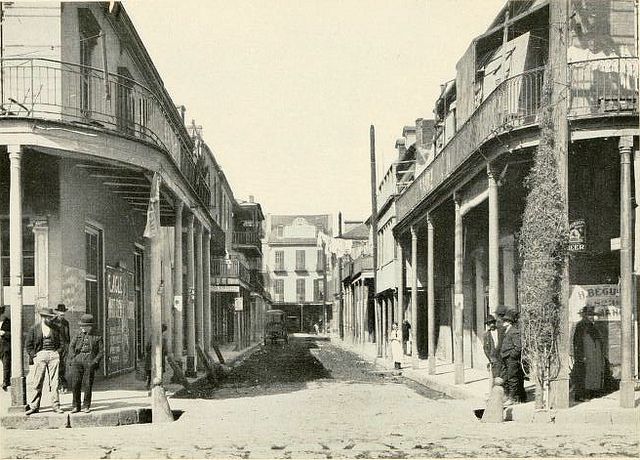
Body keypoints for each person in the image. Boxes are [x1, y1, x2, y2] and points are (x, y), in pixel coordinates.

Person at [25, 307, 64, 415]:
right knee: (37, 382)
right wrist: (34, 356)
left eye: (51, 317)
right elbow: (28, 345)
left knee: (54, 383)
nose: (50, 319)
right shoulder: (34, 329)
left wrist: (57, 353)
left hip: (53, 355)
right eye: (48, 317)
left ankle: (56, 406)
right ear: (43, 317)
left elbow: (62, 343)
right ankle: (34, 406)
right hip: (40, 355)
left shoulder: (56, 328)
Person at [68, 314, 103, 413]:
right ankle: (76, 405)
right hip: (77, 360)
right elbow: (71, 347)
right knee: (75, 383)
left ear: (90, 326)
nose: (82, 327)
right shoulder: (78, 334)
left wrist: (94, 362)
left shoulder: (97, 336)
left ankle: (86, 405)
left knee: (87, 384)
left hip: (90, 360)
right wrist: (73, 358)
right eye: (81, 326)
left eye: (84, 326)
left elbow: (101, 351)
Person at [572, 306, 606, 402]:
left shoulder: (592, 326)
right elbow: (577, 342)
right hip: (585, 355)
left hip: (592, 355)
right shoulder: (581, 326)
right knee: (583, 375)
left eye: (592, 315)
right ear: (584, 315)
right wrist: (580, 355)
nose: (591, 317)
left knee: (591, 374)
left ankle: (590, 393)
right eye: (589, 315)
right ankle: (581, 395)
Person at [499, 309, 524, 405]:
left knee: (512, 378)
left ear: (509, 322)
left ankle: (512, 398)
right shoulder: (508, 330)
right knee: (506, 378)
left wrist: (512, 356)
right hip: (506, 358)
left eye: (505, 321)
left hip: (511, 359)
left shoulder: (514, 331)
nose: (503, 322)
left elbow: (518, 346)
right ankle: (508, 396)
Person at [145, 324, 169, 390]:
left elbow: (147, 347)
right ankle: (159, 384)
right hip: (160, 356)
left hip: (151, 356)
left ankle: (148, 384)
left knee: (150, 371)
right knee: (159, 371)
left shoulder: (152, 336)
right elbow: (166, 350)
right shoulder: (163, 339)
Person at [52, 303, 70, 392]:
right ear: (57, 312)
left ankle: (62, 384)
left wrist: (68, 347)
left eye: (63, 312)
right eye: (60, 312)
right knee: (57, 366)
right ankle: (58, 384)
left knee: (63, 366)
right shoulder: (53, 322)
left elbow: (68, 337)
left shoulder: (66, 323)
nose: (62, 314)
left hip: (64, 348)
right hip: (56, 348)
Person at [482, 314, 501, 388]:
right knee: (495, 378)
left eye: (493, 322)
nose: (492, 324)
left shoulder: (500, 332)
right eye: (490, 323)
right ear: (488, 325)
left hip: (502, 357)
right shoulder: (486, 335)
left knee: (503, 377)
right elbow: (485, 348)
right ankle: (494, 394)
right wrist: (490, 358)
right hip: (494, 359)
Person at [0, 306, 11, 391]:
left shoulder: (8, 321)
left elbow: (13, 334)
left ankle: (5, 382)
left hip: (4, 346)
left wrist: (4, 333)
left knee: (6, 364)